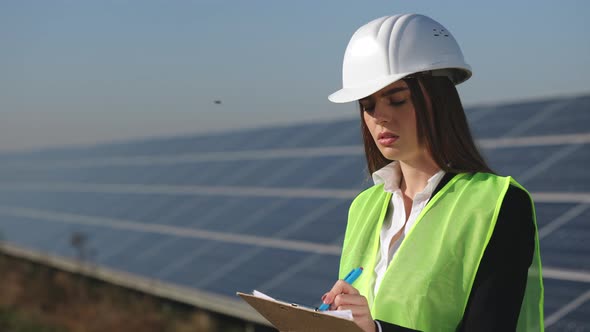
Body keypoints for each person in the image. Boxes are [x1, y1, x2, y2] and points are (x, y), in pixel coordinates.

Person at [320, 14, 544, 332]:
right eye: (368, 106)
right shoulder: (364, 207)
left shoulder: (496, 205)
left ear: (439, 100)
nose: (380, 117)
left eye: (396, 100)